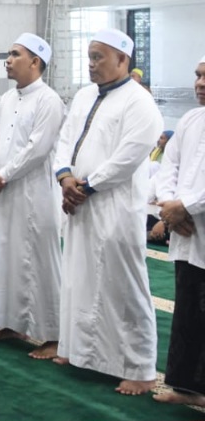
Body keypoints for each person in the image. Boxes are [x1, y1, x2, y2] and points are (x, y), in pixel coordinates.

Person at [53, 28, 163, 395]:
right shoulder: (84, 96)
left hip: (115, 208)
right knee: (79, 279)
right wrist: (65, 176)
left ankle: (140, 368)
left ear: (122, 59)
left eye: (98, 57)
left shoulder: (140, 102)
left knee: (124, 286)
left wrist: (86, 186)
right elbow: (65, 140)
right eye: (89, 57)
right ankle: (79, 351)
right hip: (79, 204)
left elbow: (129, 156)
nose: (91, 64)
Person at [0, 33, 64, 358]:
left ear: (35, 61)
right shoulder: (6, 99)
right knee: (4, 258)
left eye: (15, 54)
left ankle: (54, 336)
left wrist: (1, 175)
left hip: (33, 196)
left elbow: (37, 149)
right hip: (2, 193)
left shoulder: (49, 100)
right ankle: (10, 322)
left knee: (39, 263)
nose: (8, 60)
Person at [153, 54, 205, 408]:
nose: (200, 83)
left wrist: (185, 206)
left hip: (192, 220)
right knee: (187, 310)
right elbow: (168, 165)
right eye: (198, 75)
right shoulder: (190, 120)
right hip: (187, 233)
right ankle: (187, 387)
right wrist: (169, 205)